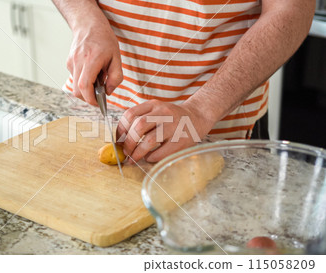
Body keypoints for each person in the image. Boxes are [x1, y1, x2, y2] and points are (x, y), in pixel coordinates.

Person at [53, 0, 315, 163]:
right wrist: (84, 19)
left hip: (218, 130)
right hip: (99, 112)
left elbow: (291, 10)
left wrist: (200, 110)